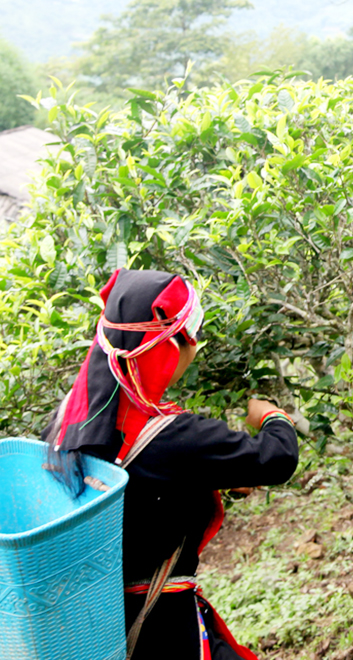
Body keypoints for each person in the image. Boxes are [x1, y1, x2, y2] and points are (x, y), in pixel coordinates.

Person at [43, 269, 299, 660]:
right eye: (191, 334)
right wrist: (270, 417)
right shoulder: (174, 436)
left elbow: (144, 489)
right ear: (165, 347)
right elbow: (277, 458)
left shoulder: (67, 421)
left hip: (92, 627)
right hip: (162, 627)